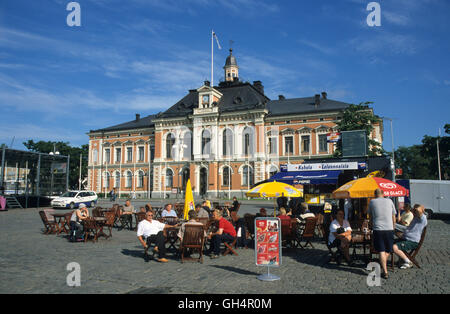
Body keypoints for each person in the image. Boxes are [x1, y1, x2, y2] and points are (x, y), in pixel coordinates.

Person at [368, 188, 397, 279]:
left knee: (381, 250)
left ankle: (385, 271)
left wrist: (371, 225)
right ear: (383, 193)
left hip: (378, 229)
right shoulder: (390, 201)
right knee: (388, 250)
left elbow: (371, 217)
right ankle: (385, 270)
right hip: (389, 228)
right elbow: (393, 216)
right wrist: (393, 226)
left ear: (374, 194)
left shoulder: (372, 202)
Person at [392, 204, 428, 269]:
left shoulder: (422, 219)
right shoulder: (415, 218)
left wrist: (418, 208)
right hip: (406, 238)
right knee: (390, 242)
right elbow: (406, 228)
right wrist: (394, 226)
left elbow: (419, 210)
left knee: (394, 247)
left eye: (414, 210)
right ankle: (401, 260)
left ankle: (408, 262)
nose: (413, 212)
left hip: (412, 241)